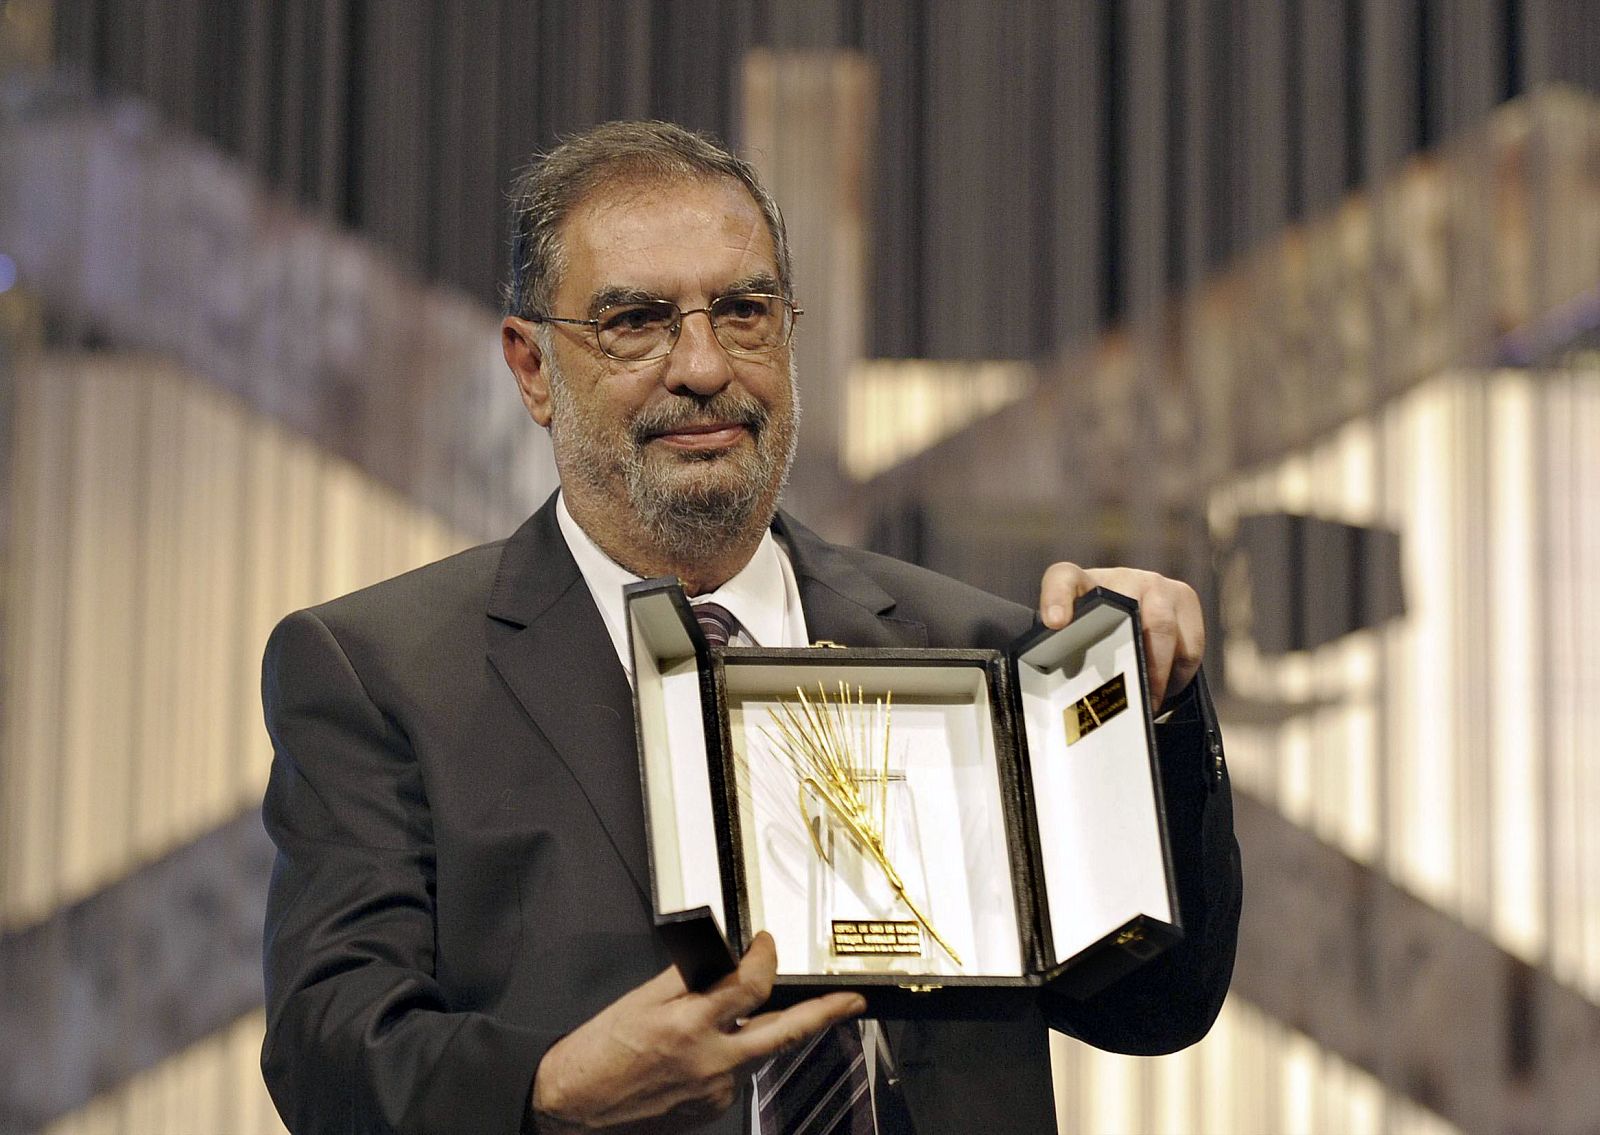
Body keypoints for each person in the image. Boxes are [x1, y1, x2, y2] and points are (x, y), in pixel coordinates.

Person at [260, 120, 1240, 1135]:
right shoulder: (382, 672)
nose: (701, 366)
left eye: (743, 311)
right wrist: (547, 1089)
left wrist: (1155, 713)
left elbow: (1151, 1006)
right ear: (533, 367)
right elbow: (331, 1045)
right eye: (635, 321)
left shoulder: (979, 650)